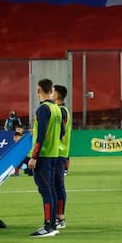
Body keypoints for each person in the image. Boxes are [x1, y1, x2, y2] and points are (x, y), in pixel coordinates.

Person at [28, 78, 63, 237]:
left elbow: (41, 135)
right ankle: (53, 224)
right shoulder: (57, 109)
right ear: (51, 91)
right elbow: (61, 132)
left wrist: (34, 156)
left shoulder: (43, 109)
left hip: (43, 155)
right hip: (54, 154)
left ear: (39, 90)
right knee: (52, 189)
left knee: (45, 190)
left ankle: (48, 226)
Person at [52, 84, 71, 230]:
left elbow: (60, 132)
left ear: (57, 95)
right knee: (54, 185)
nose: (50, 94)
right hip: (56, 152)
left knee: (58, 185)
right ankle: (56, 217)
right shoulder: (59, 110)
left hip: (59, 152)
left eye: (52, 92)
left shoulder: (62, 111)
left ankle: (60, 218)